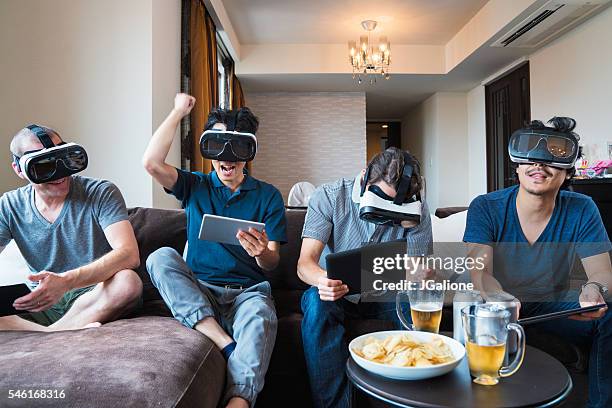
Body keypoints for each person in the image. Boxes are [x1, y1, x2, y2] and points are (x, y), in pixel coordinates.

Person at [142, 93, 287, 408]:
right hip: (200, 290)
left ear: (249, 151)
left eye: (237, 147)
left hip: (248, 293)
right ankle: (224, 342)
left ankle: (239, 402)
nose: (228, 155)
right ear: (208, 149)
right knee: (160, 258)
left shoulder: (269, 196)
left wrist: (262, 252)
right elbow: (151, 163)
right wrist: (178, 111)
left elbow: (273, 262)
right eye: (219, 145)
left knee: (261, 315)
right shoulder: (195, 185)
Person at [463, 117, 612, 408]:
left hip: (553, 304)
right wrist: (498, 297)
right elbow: (479, 271)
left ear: (568, 170)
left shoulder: (583, 208)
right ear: (517, 165)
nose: (539, 166)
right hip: (499, 302)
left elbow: (601, 270)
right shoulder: (486, 206)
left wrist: (594, 290)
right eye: (531, 157)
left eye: (552, 159)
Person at [297, 147, 433, 408]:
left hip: (385, 296)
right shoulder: (329, 196)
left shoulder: (417, 209)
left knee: (416, 306)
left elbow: (419, 270)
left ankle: (412, 402)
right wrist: (323, 280)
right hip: (336, 294)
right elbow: (305, 264)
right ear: (364, 178)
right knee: (317, 302)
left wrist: (421, 275)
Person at [0, 125, 142, 332]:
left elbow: (129, 255)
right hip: (41, 303)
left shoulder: (100, 192)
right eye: (44, 166)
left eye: (62, 159)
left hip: (94, 295)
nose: (60, 174)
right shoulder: (9, 205)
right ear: (20, 170)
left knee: (128, 281)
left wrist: (66, 281)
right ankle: (56, 331)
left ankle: (51, 332)